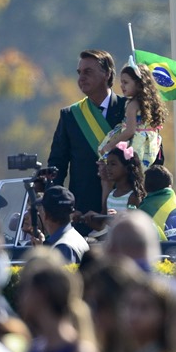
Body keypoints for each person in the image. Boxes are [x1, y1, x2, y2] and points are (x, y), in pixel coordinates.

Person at [48, 49, 127, 234]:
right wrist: (59, 207)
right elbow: (57, 165)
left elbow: (150, 155)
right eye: (79, 73)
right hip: (82, 214)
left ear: (107, 74)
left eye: (88, 72)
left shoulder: (129, 109)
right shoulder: (70, 116)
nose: (81, 78)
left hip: (124, 209)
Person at [98, 61, 167, 170]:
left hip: (136, 146)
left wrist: (110, 146)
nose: (122, 86)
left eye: (126, 82)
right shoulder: (149, 103)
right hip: (150, 148)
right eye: (121, 82)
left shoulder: (132, 104)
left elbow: (130, 131)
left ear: (139, 84)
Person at [79, 142, 146, 236]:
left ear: (127, 168)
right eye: (107, 164)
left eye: (113, 164)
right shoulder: (111, 195)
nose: (108, 168)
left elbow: (132, 227)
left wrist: (114, 219)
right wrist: (88, 218)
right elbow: (103, 226)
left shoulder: (133, 196)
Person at [30, 186, 90, 264]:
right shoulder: (73, 238)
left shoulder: (63, 247)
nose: (39, 213)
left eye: (41, 210)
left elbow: (57, 276)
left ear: (46, 215)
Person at [138, 165, 176, 241]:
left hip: (157, 251)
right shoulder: (174, 204)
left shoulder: (143, 209)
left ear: (146, 187)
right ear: (170, 186)